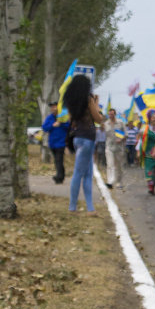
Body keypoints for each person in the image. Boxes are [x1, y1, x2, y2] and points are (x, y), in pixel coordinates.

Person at [63, 74, 105, 215]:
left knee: (87, 172)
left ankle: (90, 208)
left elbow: (72, 121)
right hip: (88, 138)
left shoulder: (71, 101)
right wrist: (96, 104)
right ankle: (72, 207)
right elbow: (98, 119)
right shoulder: (88, 99)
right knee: (80, 173)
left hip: (77, 138)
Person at [42, 101, 69, 183]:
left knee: (58, 159)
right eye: (52, 107)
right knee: (57, 160)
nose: (53, 108)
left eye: (54, 106)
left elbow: (69, 126)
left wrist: (61, 123)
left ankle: (58, 177)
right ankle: (61, 176)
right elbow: (44, 127)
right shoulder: (49, 118)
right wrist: (53, 125)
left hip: (61, 142)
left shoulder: (63, 117)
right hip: (52, 143)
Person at [139, 110, 155, 194]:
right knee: (149, 169)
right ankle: (151, 187)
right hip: (148, 153)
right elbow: (141, 140)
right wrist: (138, 151)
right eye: (153, 117)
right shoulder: (144, 129)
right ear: (149, 118)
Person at [105, 108, 126, 189]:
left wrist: (121, 139)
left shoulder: (120, 123)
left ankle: (119, 182)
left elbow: (125, 134)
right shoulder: (106, 123)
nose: (111, 116)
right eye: (109, 114)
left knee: (119, 166)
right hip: (109, 146)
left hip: (119, 147)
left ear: (115, 114)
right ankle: (110, 182)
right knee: (110, 164)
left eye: (112, 114)